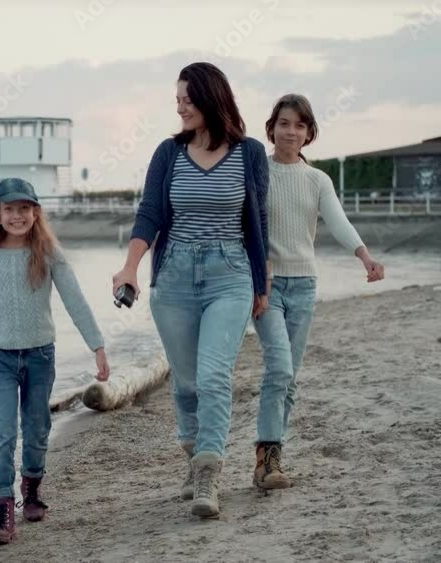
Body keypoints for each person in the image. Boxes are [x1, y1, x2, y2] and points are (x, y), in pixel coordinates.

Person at [112, 62, 270, 518]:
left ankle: (208, 473)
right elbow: (150, 214)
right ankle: (194, 454)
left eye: (187, 99)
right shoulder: (169, 153)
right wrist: (130, 267)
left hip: (230, 274)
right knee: (185, 383)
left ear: (211, 98)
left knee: (214, 376)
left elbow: (259, 221)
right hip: (175, 276)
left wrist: (262, 281)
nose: (180, 107)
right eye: (177, 100)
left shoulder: (249, 153)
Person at [0, 177, 111, 545]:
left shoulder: (48, 252)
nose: (17, 216)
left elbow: (75, 299)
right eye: (9, 209)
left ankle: (31, 488)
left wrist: (97, 346)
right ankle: (2, 509)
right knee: (1, 433)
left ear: (35, 212)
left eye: (24, 209)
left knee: (36, 428)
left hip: (40, 355)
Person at [253, 94, 385, 489]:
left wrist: (365, 257)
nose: (291, 132)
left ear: (309, 133)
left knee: (289, 378)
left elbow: (338, 221)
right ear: (271, 128)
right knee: (279, 368)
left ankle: (269, 461)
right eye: (284, 123)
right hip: (267, 286)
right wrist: (257, 270)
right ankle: (267, 460)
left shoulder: (317, 180)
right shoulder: (258, 172)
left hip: (304, 286)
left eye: (300, 125)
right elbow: (246, 223)